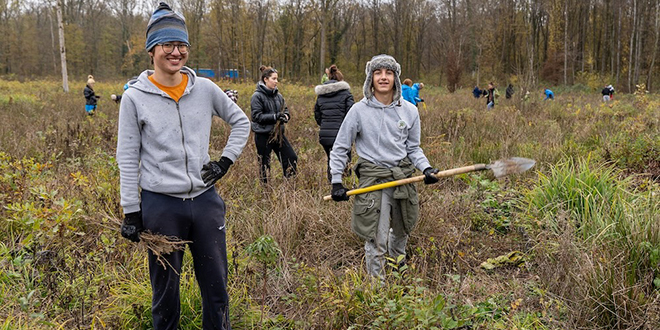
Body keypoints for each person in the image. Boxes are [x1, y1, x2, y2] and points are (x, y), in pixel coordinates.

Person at [116, 3, 250, 329]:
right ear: (152, 50)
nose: (176, 53)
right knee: (166, 297)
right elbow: (127, 157)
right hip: (161, 207)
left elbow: (241, 122)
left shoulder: (204, 88)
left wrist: (225, 162)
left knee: (217, 291)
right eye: (167, 45)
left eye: (182, 45)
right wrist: (132, 211)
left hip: (206, 203)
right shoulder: (135, 98)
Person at [328, 54, 440, 280]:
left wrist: (426, 169)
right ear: (370, 78)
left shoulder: (409, 111)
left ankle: (399, 280)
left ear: (396, 78)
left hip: (403, 178)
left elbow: (413, 148)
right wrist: (336, 180)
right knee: (376, 239)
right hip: (373, 180)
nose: (383, 77)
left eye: (388, 73)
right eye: (378, 73)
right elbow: (341, 146)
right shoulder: (358, 111)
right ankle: (377, 292)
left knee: (401, 234)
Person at [250, 65, 298, 183]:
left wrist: (285, 116)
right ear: (265, 79)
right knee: (265, 165)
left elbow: (285, 110)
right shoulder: (257, 96)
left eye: (277, 79)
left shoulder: (278, 96)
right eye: (274, 79)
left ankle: (289, 186)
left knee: (291, 157)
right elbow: (256, 116)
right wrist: (275, 117)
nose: (276, 81)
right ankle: (266, 191)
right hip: (263, 135)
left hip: (278, 134)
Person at [314, 64, 355, 182]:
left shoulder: (321, 95)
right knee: (345, 160)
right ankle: (344, 186)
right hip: (342, 134)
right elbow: (351, 114)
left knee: (331, 160)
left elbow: (317, 115)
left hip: (325, 135)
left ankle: (331, 185)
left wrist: (325, 126)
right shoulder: (346, 94)